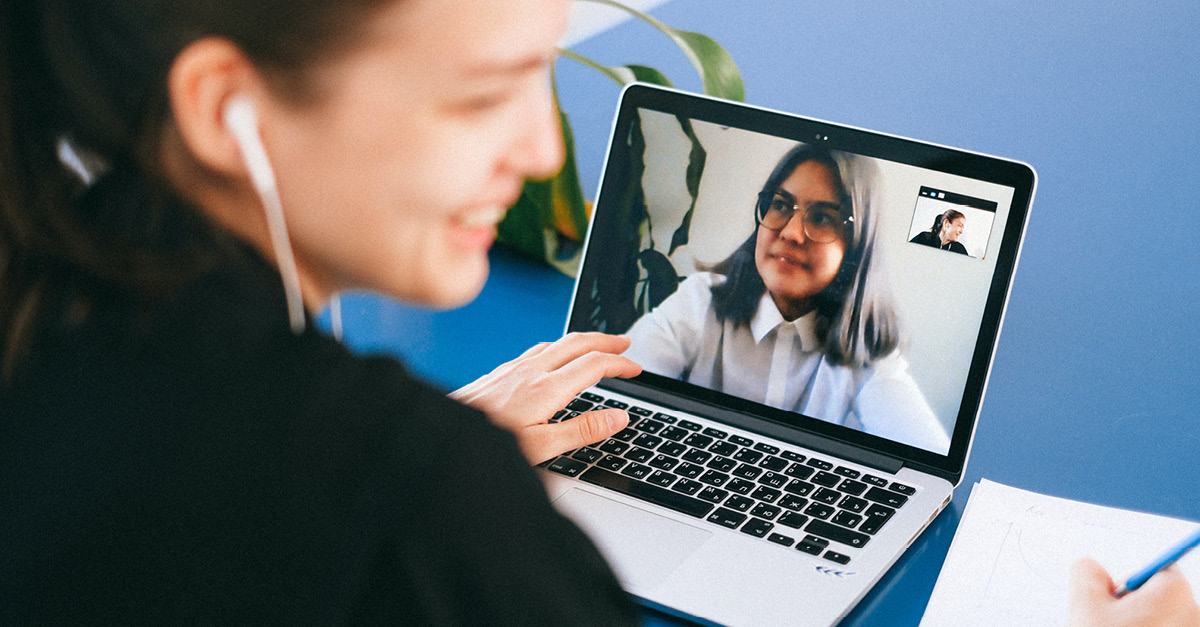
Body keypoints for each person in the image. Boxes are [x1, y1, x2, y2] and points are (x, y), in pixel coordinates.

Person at [0, 1, 1195, 625]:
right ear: (225, 105)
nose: (536, 150)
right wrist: (424, 472)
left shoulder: (46, 310)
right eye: (480, 94)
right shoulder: (425, 512)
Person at [625, 144, 951, 453]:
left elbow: (926, 462)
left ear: (857, 243)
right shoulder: (701, 301)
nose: (791, 233)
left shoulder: (868, 353)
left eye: (822, 217)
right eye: (780, 205)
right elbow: (616, 385)